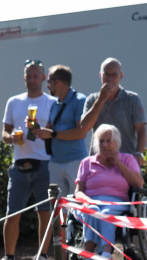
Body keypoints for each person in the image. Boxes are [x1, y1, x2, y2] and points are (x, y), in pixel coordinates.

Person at [0, 60, 53, 260]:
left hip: (45, 162)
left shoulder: (51, 102)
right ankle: (9, 259)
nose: (32, 80)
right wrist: (10, 137)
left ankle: (43, 257)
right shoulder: (14, 102)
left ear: (43, 78)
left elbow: (55, 133)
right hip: (19, 162)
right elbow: (4, 133)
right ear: (24, 78)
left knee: (44, 211)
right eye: (28, 76)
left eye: (35, 76)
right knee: (12, 212)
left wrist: (39, 129)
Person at [74, 123, 145, 260]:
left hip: (116, 202)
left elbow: (139, 184)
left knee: (106, 213)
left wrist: (119, 163)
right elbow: (78, 192)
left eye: (108, 140)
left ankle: (106, 255)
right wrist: (88, 201)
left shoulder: (127, 159)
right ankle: (88, 257)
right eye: (101, 141)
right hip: (90, 201)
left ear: (117, 143)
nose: (105, 145)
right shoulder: (87, 162)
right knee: (92, 210)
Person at [34, 65, 106, 199]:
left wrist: (53, 134)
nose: (47, 86)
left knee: (77, 203)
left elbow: (81, 132)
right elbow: (48, 130)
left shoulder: (79, 101)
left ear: (58, 82)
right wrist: (35, 127)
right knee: (56, 205)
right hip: (55, 163)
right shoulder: (55, 104)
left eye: (49, 81)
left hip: (75, 162)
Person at [91, 59, 147, 156]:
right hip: (99, 160)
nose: (110, 79)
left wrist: (139, 153)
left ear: (121, 76)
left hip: (126, 158)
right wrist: (100, 100)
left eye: (114, 75)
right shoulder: (92, 99)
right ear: (100, 75)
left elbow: (141, 130)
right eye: (106, 75)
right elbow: (85, 127)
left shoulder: (132, 99)